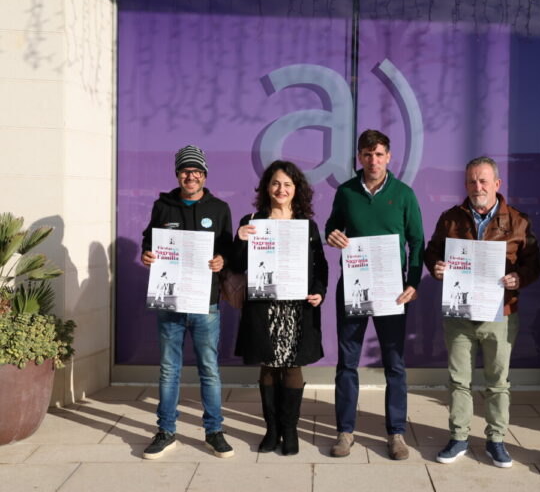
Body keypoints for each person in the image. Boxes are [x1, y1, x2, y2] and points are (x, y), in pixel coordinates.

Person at [424, 156, 540, 468]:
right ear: (465, 185)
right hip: (459, 314)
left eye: (484, 181)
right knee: (459, 380)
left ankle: (496, 440)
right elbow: (433, 249)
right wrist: (435, 266)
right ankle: (459, 436)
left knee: (497, 382)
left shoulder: (518, 221)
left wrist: (521, 277)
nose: (478, 186)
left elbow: (533, 262)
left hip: (501, 313)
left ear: (497, 184)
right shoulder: (450, 218)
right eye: (472, 181)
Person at [325, 129, 425, 460]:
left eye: (379, 154)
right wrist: (333, 237)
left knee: (395, 364)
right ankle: (345, 431)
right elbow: (332, 228)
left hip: (391, 292)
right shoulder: (346, 192)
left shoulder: (404, 194)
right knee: (347, 362)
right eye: (367, 155)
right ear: (359, 157)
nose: (373, 160)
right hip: (353, 287)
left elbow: (417, 241)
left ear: (389, 157)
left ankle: (396, 434)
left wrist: (413, 281)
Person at [140, 145, 234, 459]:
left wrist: (222, 260)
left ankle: (214, 431)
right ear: (178, 174)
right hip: (170, 302)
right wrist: (147, 254)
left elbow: (229, 249)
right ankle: (166, 431)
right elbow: (149, 240)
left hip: (206, 303)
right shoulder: (162, 205)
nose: (190, 175)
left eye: (196, 171)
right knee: (169, 370)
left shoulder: (219, 208)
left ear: (204, 175)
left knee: (209, 369)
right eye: (185, 170)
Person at [231, 160, 328, 456]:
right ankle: (271, 431)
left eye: (287, 184)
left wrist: (319, 292)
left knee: (292, 368)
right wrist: (239, 240)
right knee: (269, 367)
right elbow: (236, 266)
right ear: (267, 188)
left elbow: (320, 266)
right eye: (275, 183)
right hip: (264, 308)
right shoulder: (253, 221)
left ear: (296, 189)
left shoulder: (307, 226)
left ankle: (290, 430)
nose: (281, 189)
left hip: (297, 308)